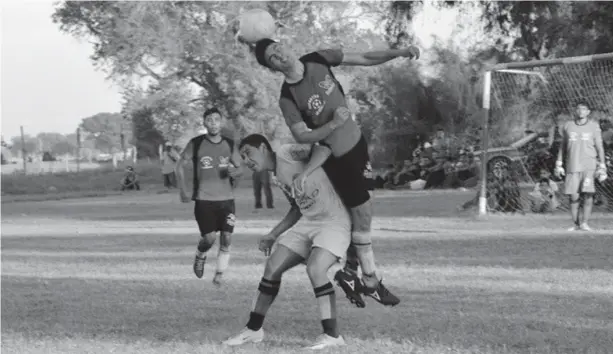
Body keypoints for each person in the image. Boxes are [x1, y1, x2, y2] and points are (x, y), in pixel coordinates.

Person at [251, 38, 417, 307]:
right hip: (338, 157)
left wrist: (400, 52)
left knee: (362, 215)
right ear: (273, 67)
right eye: (272, 57)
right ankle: (371, 280)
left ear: (285, 44)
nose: (279, 55)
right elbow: (302, 135)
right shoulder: (288, 97)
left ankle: (350, 272)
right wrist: (333, 125)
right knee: (362, 217)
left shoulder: (317, 59)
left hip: (358, 144)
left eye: (278, 47)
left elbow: (364, 58)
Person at [223, 134, 350, 349]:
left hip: (333, 221)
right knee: (272, 266)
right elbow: (296, 208)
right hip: (308, 222)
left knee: (316, 269)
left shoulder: (287, 152)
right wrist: (273, 234)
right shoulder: (276, 176)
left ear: (263, 147)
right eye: (242, 156)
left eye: (248, 153)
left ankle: (332, 336)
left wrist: (306, 173)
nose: (246, 160)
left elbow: (323, 148)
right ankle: (253, 330)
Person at [176, 107, 243, 285]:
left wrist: (234, 172)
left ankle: (219, 275)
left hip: (227, 200)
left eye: (216, 119)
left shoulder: (229, 144)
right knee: (209, 238)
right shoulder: (196, 143)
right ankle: (201, 254)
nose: (213, 123)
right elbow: (180, 165)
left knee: (227, 238)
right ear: (204, 123)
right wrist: (183, 190)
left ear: (221, 122)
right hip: (204, 200)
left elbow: (240, 167)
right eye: (209, 120)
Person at [554, 101, 607, 231]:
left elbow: (599, 147)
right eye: (578, 109)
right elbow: (563, 146)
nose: (581, 111)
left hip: (589, 165)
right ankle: (575, 224)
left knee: (588, 194)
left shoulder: (594, 127)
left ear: (588, 112)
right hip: (572, 165)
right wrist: (559, 163)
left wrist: (602, 165)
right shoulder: (568, 126)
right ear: (575, 111)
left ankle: (585, 223)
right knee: (574, 196)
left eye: (584, 109)